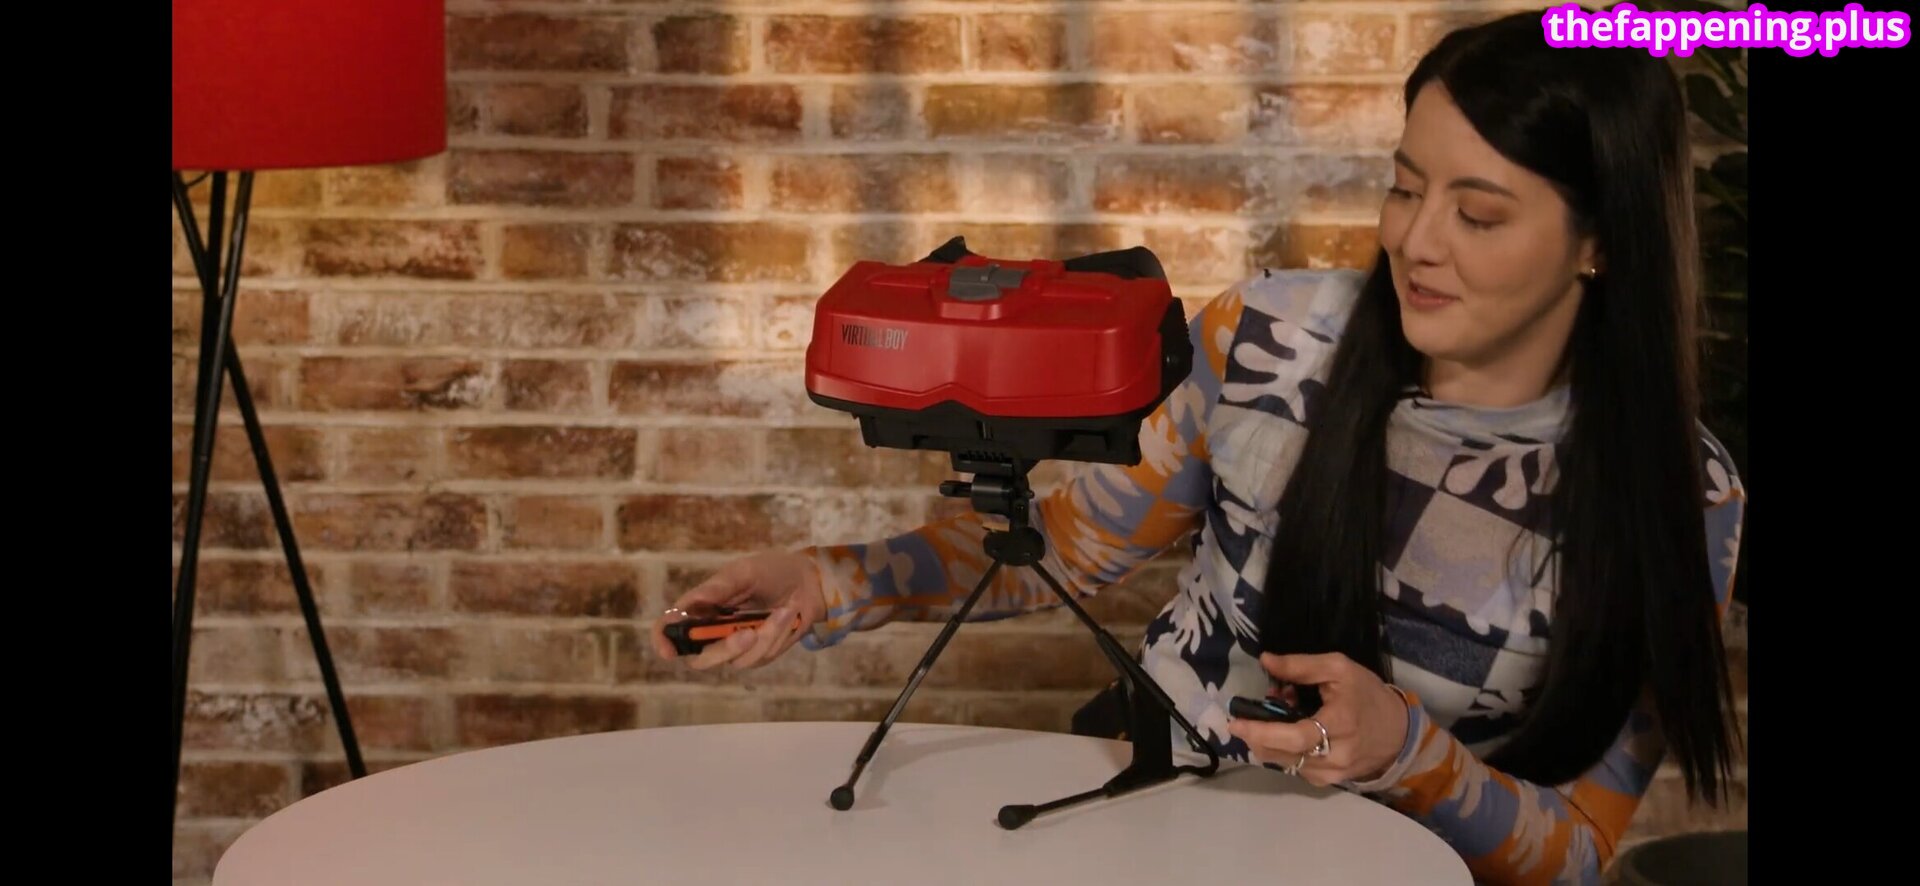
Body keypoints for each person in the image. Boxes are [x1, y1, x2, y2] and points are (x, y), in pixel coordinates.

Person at [649, 7, 1745, 884]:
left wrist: (1410, 755)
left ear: (1601, 242)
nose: (1416, 240)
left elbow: (1577, 850)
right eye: (1405, 187)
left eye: (1480, 214)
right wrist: (827, 583)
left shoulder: (1684, 496)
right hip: (1155, 822)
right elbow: (1065, 549)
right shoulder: (1269, 338)